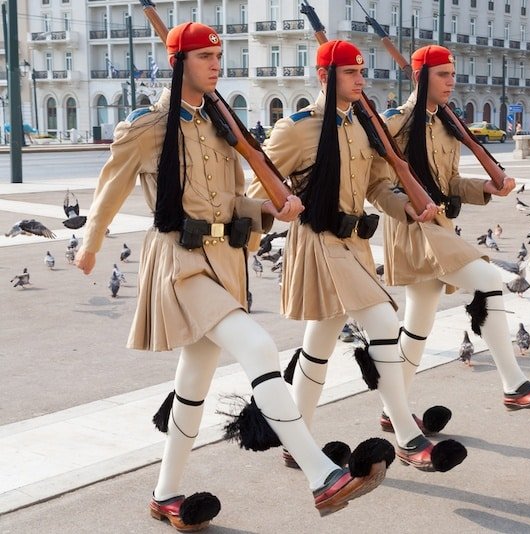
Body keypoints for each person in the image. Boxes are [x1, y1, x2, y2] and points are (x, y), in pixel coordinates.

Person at [75, 23, 388, 530]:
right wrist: (90, 243)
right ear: (180, 65)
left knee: (193, 382)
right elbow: (109, 188)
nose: (216, 65)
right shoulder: (148, 126)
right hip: (180, 261)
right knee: (260, 348)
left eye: (218, 56)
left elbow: (227, 201)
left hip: (224, 261)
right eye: (204, 58)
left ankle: (165, 495)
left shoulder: (221, 127)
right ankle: (321, 475)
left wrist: (265, 207)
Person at [247, 40, 467, 473]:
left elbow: (377, 186)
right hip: (319, 242)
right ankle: (406, 436)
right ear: (325, 78)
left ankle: (296, 440)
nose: (361, 80)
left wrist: (405, 205)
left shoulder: (362, 126)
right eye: (350, 73)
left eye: (362, 72)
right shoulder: (294, 130)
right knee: (384, 321)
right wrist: (278, 209)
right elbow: (260, 193)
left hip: (356, 245)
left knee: (319, 342)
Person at [379, 45, 530, 434]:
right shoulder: (395, 124)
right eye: (443, 75)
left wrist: (485, 185)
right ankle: (513, 383)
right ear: (420, 77)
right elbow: (377, 185)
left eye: (453, 74)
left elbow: (447, 183)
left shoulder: (444, 123)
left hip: (440, 229)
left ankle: (391, 411)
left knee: (417, 329)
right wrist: (408, 206)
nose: (452, 81)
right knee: (489, 280)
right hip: (413, 231)